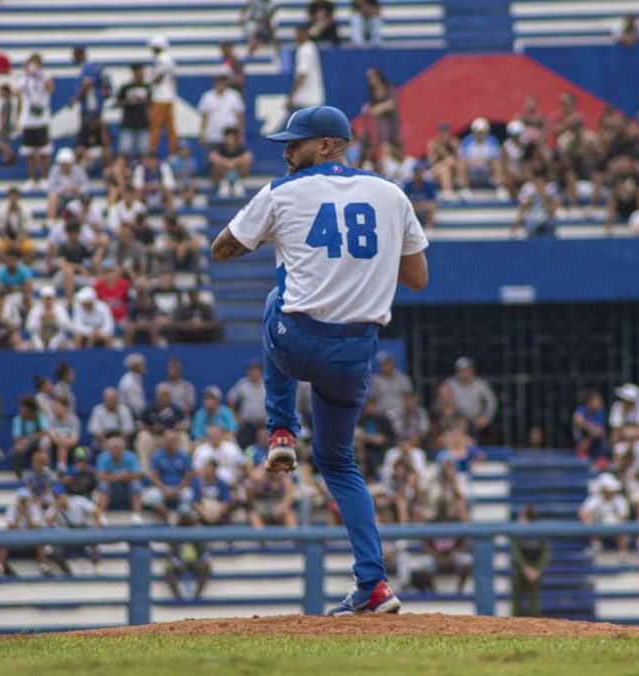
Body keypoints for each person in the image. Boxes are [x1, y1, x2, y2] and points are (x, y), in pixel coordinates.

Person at [210, 105, 429, 615]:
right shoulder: (391, 194)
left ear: (327, 145)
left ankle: (281, 431)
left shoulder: (283, 191)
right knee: (339, 463)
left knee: (275, 298)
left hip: (299, 340)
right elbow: (418, 278)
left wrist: (278, 231)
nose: (287, 151)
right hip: (355, 354)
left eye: (296, 142)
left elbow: (221, 249)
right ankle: (374, 585)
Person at [17, 53, 55, 190]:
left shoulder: (45, 77)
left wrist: (40, 76)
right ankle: (32, 179)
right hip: (28, 120)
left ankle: (44, 178)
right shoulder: (24, 79)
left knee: (44, 152)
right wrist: (27, 75)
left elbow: (51, 89)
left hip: (42, 120)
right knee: (30, 153)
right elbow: (17, 92)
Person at [443, 357, 498, 438]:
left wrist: (486, 417)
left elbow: (491, 402)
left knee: (487, 432)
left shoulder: (480, 384)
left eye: (466, 370)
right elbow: (442, 401)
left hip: (476, 419)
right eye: (461, 371)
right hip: (457, 419)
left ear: (472, 371)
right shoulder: (450, 384)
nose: (464, 373)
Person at [510, 504, 549, 617]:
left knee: (534, 599)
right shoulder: (517, 532)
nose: (519, 518)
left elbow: (546, 553)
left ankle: (535, 622)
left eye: (522, 516)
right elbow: (515, 551)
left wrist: (538, 569)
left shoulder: (540, 532)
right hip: (520, 568)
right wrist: (525, 567)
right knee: (516, 599)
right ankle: (514, 622)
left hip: (535, 568)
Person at [95, 436, 144, 524]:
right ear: (108, 449)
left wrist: (111, 476)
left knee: (136, 484)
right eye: (112, 448)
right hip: (112, 490)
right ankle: (101, 515)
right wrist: (121, 476)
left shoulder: (130, 456)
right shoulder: (102, 457)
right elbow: (100, 477)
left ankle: (137, 515)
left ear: (123, 449)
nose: (115, 450)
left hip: (127, 489)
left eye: (118, 448)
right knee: (103, 485)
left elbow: (137, 475)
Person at [148, 36, 178, 155]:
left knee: (156, 126)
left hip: (161, 97)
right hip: (168, 96)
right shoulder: (169, 59)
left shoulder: (162, 59)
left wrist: (151, 81)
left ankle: (152, 150)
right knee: (170, 127)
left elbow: (158, 77)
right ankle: (173, 151)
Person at [116, 63, 153, 160]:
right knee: (125, 151)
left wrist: (143, 101)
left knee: (143, 151)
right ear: (134, 72)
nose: (142, 74)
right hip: (128, 123)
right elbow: (118, 103)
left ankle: (140, 169)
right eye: (140, 72)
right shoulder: (125, 87)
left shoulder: (147, 87)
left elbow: (151, 104)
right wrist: (129, 101)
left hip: (143, 124)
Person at [288, 25, 324, 112]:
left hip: (305, 100)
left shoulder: (305, 50)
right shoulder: (311, 47)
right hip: (314, 99)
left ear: (304, 33)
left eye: (297, 33)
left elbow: (302, 74)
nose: (295, 36)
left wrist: (291, 96)